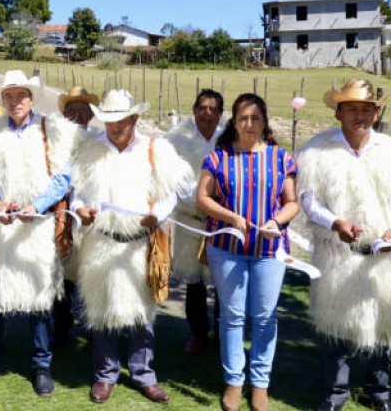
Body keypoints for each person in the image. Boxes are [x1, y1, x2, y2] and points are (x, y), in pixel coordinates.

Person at [71, 89, 192, 405]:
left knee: (142, 313)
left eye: (120, 120)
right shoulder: (91, 150)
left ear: (135, 118)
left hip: (140, 245)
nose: (114, 126)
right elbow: (78, 193)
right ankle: (105, 375)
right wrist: (81, 209)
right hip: (102, 241)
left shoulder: (155, 150)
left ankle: (144, 374)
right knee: (102, 310)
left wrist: (159, 215)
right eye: (109, 120)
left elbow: (171, 193)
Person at [0, 70, 77, 397]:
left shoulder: (52, 131)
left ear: (31, 98)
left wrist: (39, 205)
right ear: (2, 101)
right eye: (9, 96)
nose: (15, 102)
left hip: (37, 228)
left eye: (21, 95)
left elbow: (63, 178)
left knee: (40, 296)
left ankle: (41, 364)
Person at [196, 92, 298, 411]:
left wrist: (275, 221)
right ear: (234, 122)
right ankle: (233, 382)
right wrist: (231, 217)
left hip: (270, 250)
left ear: (265, 122)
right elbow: (203, 198)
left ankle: (260, 385)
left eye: (255, 118)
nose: (249, 124)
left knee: (265, 317)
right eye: (243, 118)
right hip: (227, 249)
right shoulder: (218, 158)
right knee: (233, 316)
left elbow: (292, 203)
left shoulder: (282, 158)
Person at [295, 79, 391, 411]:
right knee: (336, 325)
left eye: (366, 109)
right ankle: (336, 392)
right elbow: (307, 199)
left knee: (383, 326)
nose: (360, 116)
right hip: (337, 253)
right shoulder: (315, 150)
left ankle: (379, 390)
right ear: (338, 112)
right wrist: (335, 222)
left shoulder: (389, 149)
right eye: (351, 109)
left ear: (376, 113)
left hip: (383, 257)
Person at [165, 88, 225, 354]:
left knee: (225, 281)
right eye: (203, 108)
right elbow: (174, 179)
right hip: (191, 219)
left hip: (224, 221)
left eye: (213, 109)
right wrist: (201, 200)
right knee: (194, 282)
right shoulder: (177, 139)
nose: (207, 113)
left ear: (221, 113)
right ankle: (198, 333)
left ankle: (225, 333)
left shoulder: (229, 137)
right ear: (194, 109)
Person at [52, 86, 100, 347]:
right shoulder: (55, 139)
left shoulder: (100, 140)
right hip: (60, 211)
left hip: (90, 213)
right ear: (65, 113)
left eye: (84, 110)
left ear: (92, 115)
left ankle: (93, 327)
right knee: (61, 271)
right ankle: (61, 325)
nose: (79, 114)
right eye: (73, 109)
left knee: (89, 270)